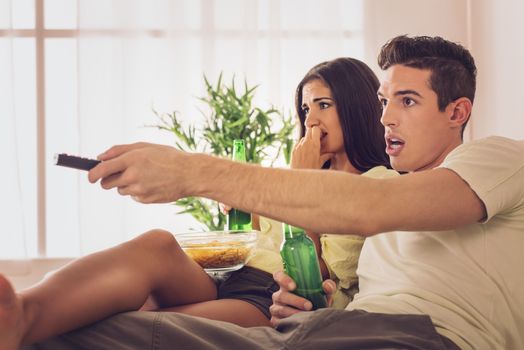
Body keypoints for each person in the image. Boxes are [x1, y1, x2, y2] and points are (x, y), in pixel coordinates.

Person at [3, 34, 523, 350]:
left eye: (407, 101)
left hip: (404, 338)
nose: (386, 116)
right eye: (385, 100)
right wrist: (310, 305)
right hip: (315, 330)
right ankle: (20, 315)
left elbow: (368, 208)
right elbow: (333, 291)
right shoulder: (397, 222)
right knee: (70, 335)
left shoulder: (497, 158)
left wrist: (191, 171)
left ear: (458, 111)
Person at [0, 57, 395, 350]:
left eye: (323, 105)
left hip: (265, 297)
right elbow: (258, 241)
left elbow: (313, 282)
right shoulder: (295, 172)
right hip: (230, 273)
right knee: (156, 243)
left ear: (356, 107)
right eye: (305, 108)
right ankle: (21, 309)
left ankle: (28, 326)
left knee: (127, 324)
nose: (311, 120)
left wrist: (304, 181)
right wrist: (247, 208)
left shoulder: (377, 184)